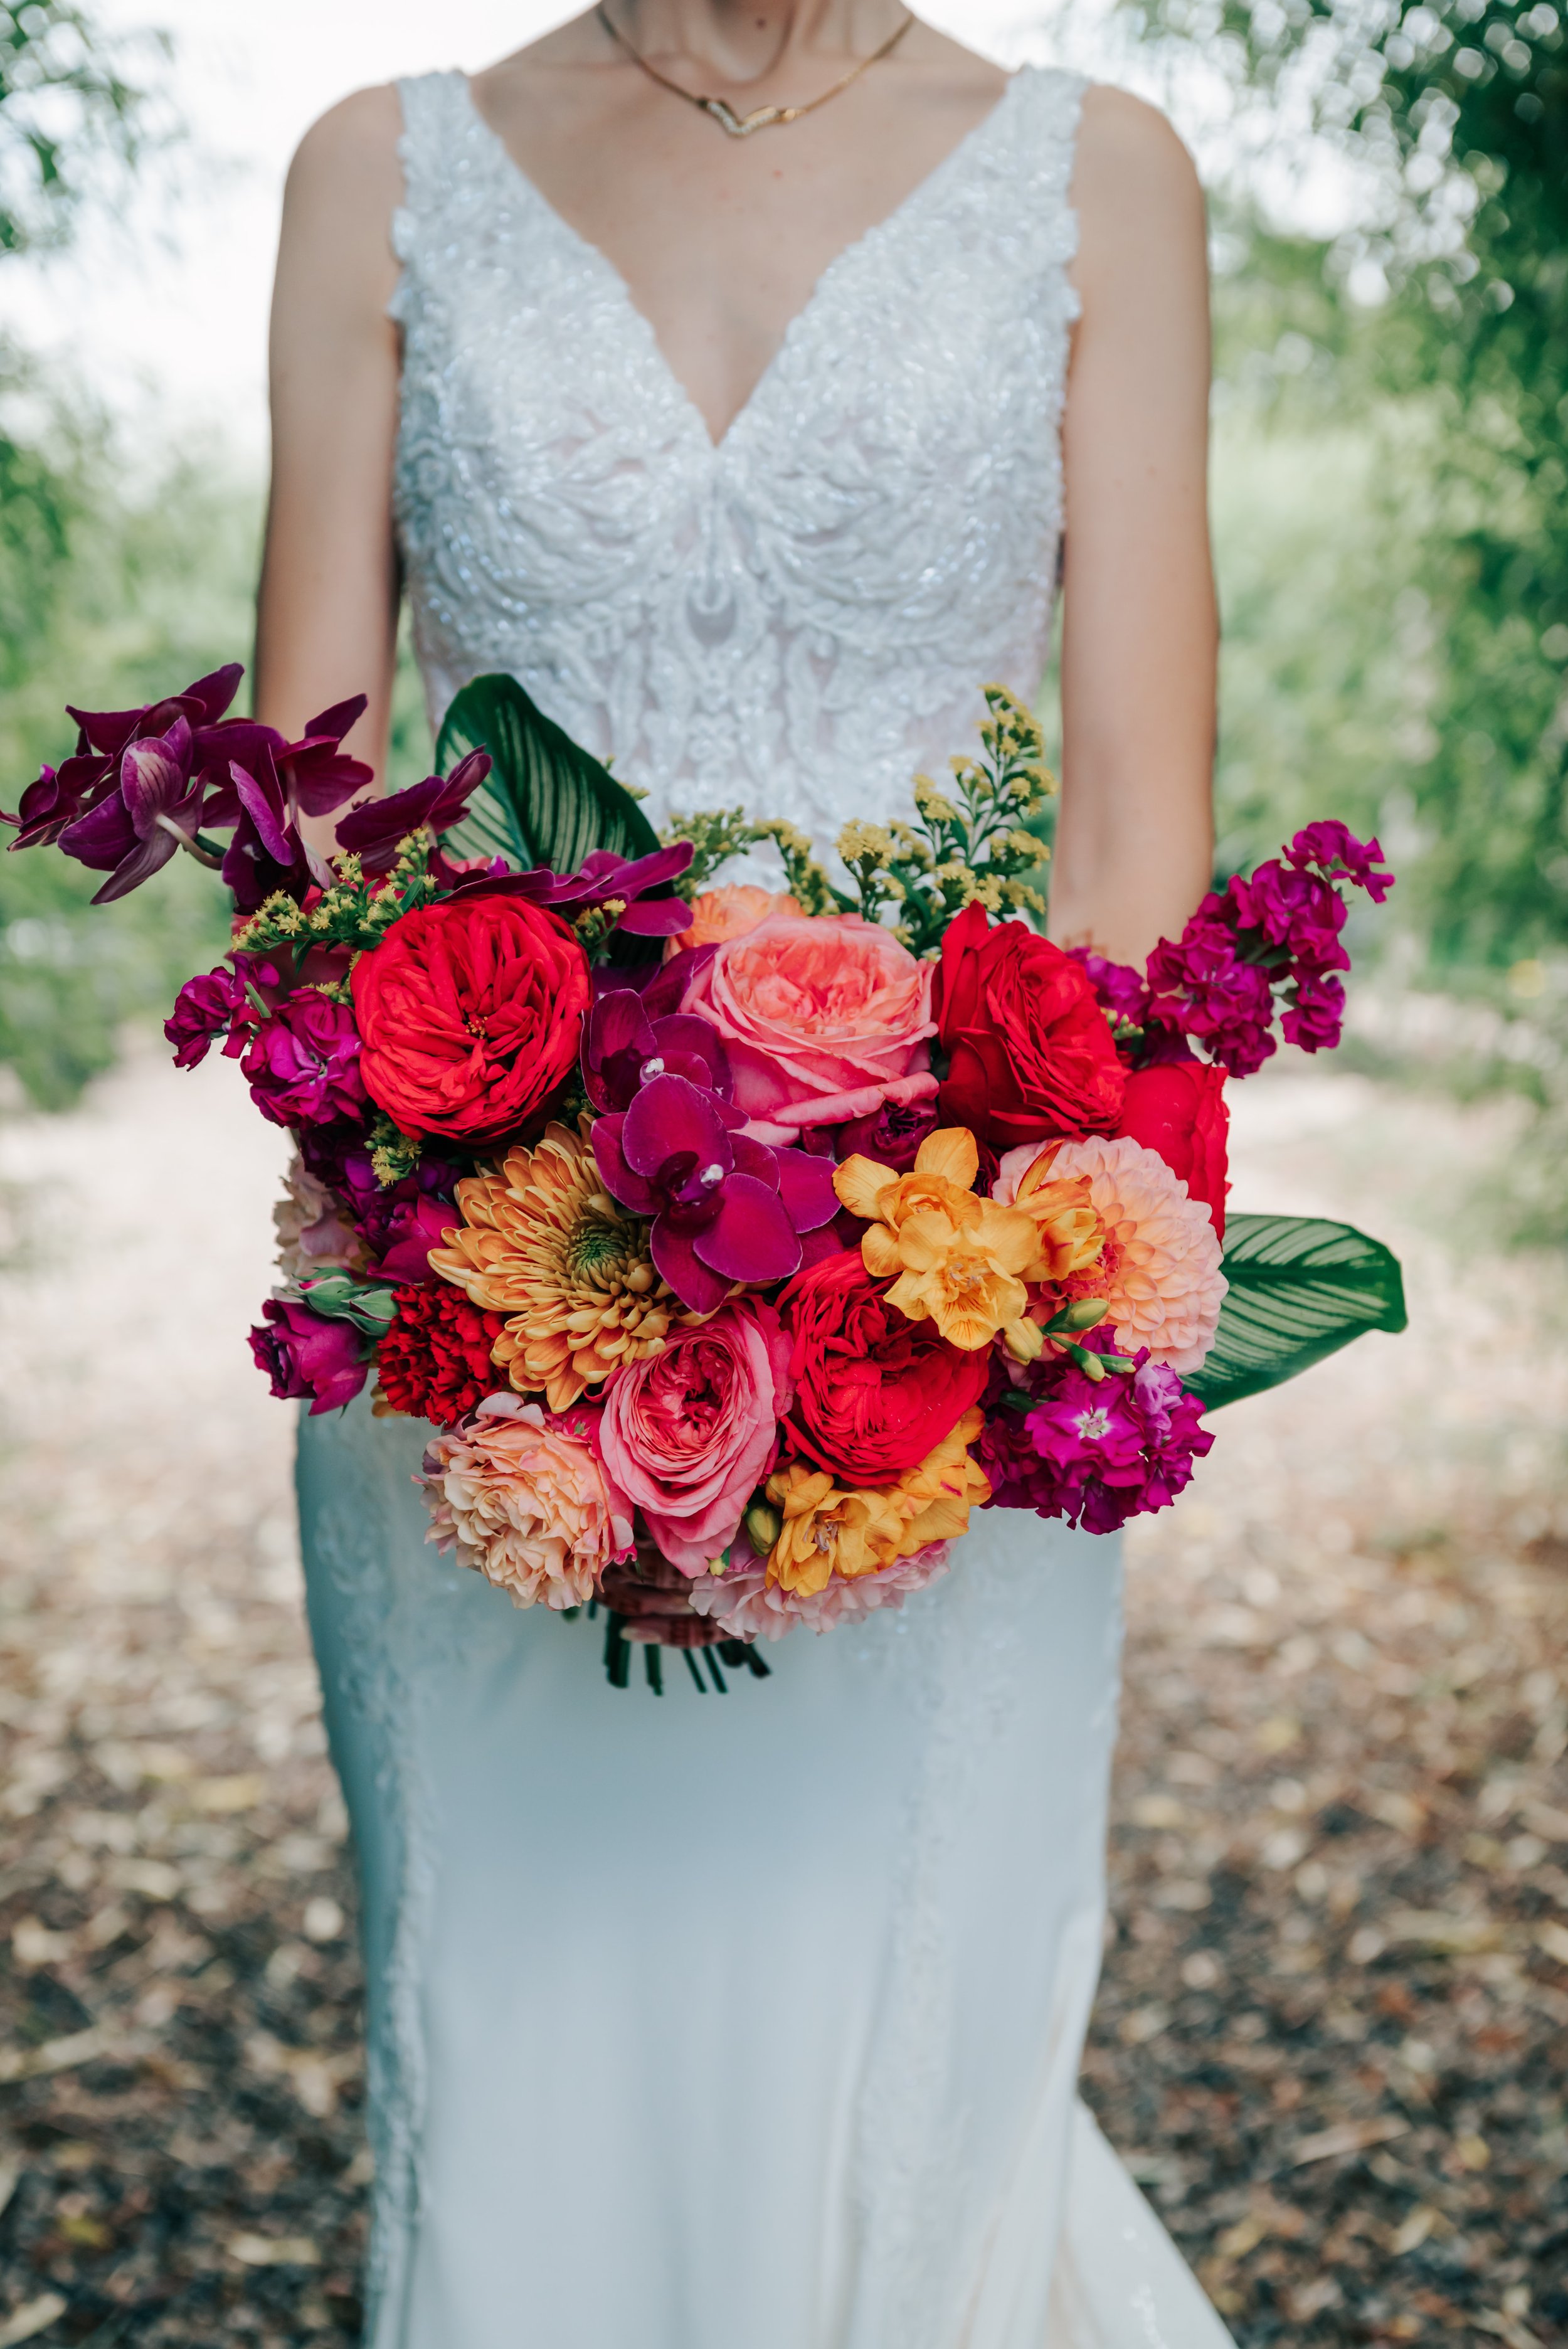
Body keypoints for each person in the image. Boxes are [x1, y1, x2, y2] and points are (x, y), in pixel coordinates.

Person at [257, 7, 1227, 2344]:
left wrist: (906, 1349)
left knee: (899, 2105)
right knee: (520, 2103)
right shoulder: (371, 174)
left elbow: (1129, 848)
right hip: (475, 1352)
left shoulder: (1092, 177)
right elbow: (305, 816)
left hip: (942, 1358)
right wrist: (498, 1289)